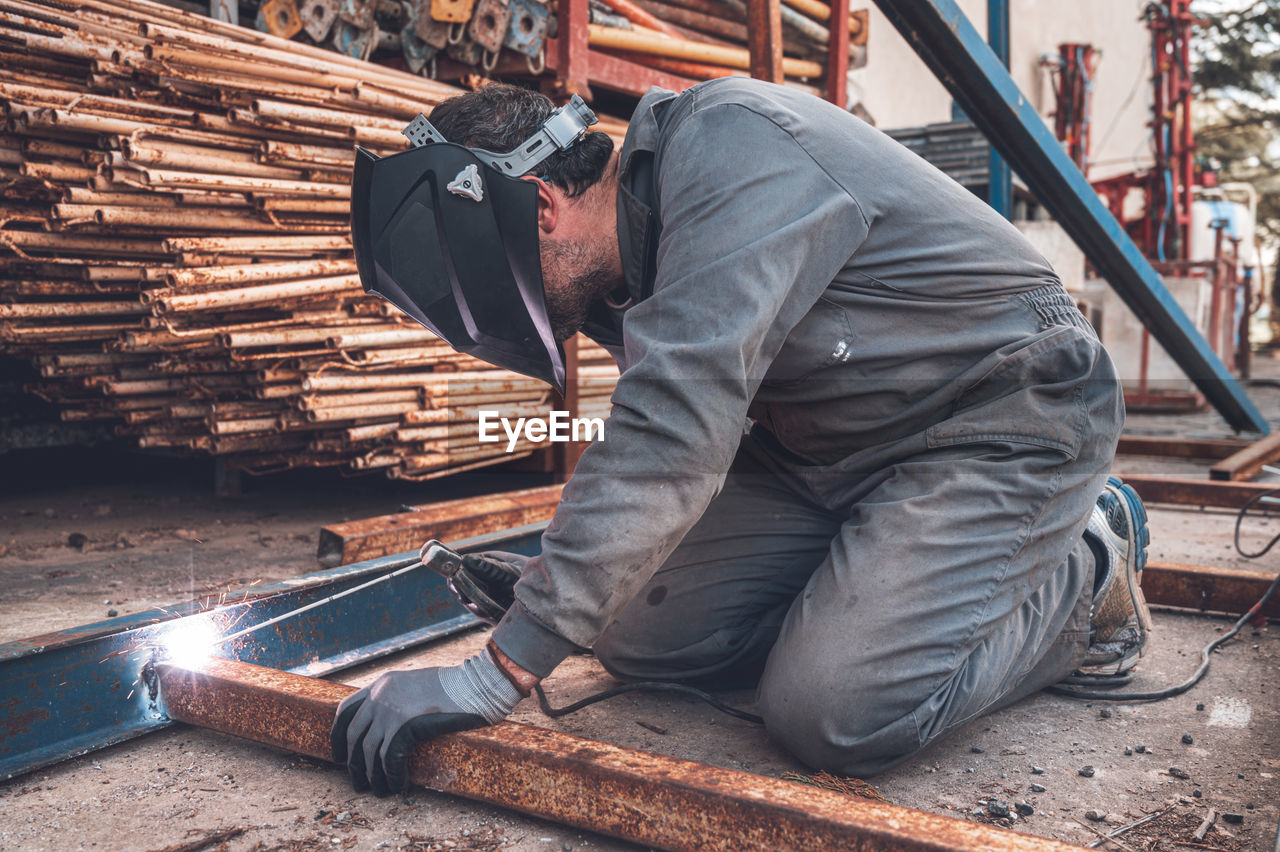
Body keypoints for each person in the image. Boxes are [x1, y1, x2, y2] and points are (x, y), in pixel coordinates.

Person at [333, 79, 1152, 797]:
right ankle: (892, 598)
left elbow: (672, 434)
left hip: (999, 417)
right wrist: (550, 587)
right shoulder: (629, 258)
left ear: (542, 206)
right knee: (629, 633)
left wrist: (496, 670)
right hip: (830, 447)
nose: (526, 321)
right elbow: (673, 442)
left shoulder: (734, 151)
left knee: (833, 713)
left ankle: (1087, 570)